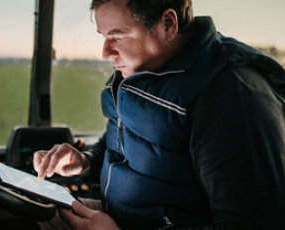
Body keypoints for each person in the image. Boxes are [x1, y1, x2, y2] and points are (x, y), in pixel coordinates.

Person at [34, 0, 285, 229]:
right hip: (117, 216)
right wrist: (86, 160)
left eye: (118, 36)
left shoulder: (232, 96)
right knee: (32, 208)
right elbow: (125, 139)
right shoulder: (141, 69)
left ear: (168, 24)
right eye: (103, 36)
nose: (105, 53)